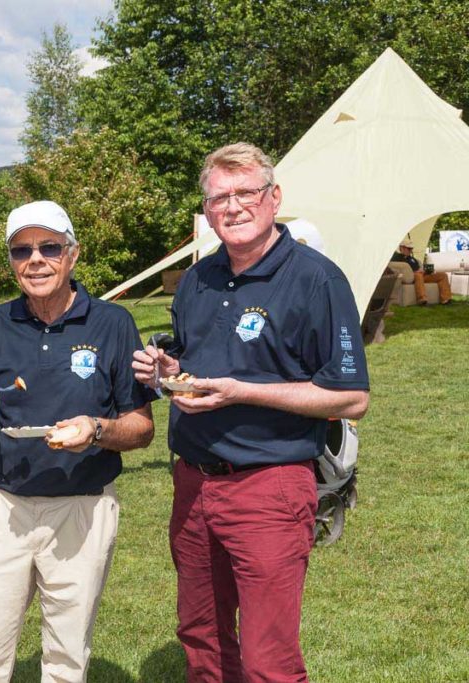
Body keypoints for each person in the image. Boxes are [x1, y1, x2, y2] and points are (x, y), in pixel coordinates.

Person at [132, 143, 370, 682]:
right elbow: (199, 364)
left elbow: (351, 397)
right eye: (219, 197)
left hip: (270, 483)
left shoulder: (316, 279)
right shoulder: (199, 279)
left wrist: (244, 391)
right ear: (207, 208)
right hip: (193, 483)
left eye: (246, 193)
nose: (233, 207)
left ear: (273, 198)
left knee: (268, 659)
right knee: (203, 639)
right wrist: (168, 369)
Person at [0, 200, 156, 683]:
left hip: (82, 509)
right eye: (21, 250)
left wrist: (97, 428)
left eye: (49, 246)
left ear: (72, 255)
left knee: (68, 654)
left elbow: (142, 427)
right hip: (2, 505)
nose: (35, 260)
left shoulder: (112, 324)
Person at [391, 236, 452, 304]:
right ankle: (422, 299)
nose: (411, 250)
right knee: (418, 275)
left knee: (443, 275)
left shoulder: (412, 258)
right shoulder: (396, 257)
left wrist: (427, 271)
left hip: (422, 275)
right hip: (412, 277)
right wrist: (416, 272)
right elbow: (398, 269)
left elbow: (419, 268)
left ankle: (445, 299)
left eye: (411, 249)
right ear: (402, 248)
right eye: (409, 248)